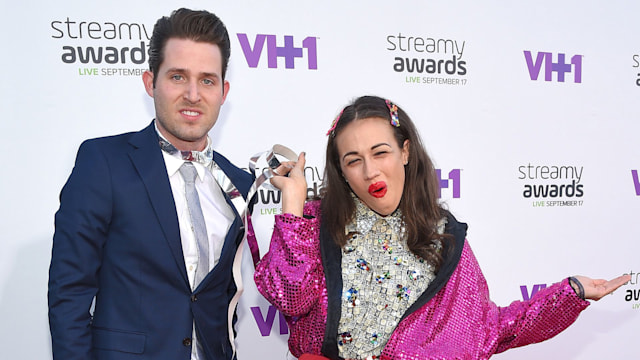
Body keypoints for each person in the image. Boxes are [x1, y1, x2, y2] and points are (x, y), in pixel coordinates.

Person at [253, 95, 630, 360]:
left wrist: (570, 294)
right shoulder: (316, 225)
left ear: (405, 151)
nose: (370, 172)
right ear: (341, 171)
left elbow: (489, 329)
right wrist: (293, 204)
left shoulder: (443, 237)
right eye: (353, 160)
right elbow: (289, 296)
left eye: (380, 152)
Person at [48, 8, 252, 360]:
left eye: (207, 80)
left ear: (223, 90)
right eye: (177, 77)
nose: (193, 94)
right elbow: (69, 294)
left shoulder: (237, 181)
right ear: (150, 82)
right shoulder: (104, 162)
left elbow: (220, 298)